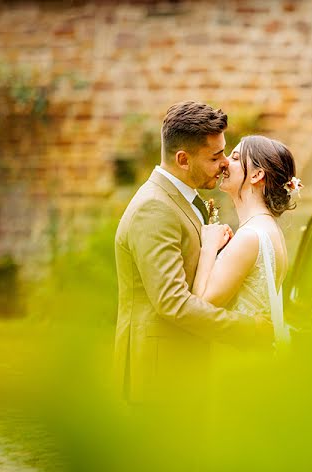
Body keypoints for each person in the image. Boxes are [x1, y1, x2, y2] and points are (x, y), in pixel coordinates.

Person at [113, 102, 270, 406]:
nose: (225, 164)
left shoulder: (182, 198)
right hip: (160, 373)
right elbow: (172, 302)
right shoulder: (154, 208)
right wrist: (248, 330)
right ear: (183, 159)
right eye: (215, 157)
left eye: (224, 153)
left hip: (182, 365)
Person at [192, 135, 300, 346]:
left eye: (234, 157)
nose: (224, 163)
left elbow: (201, 308)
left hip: (238, 360)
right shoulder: (269, 230)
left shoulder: (250, 236)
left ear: (257, 175)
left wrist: (209, 246)